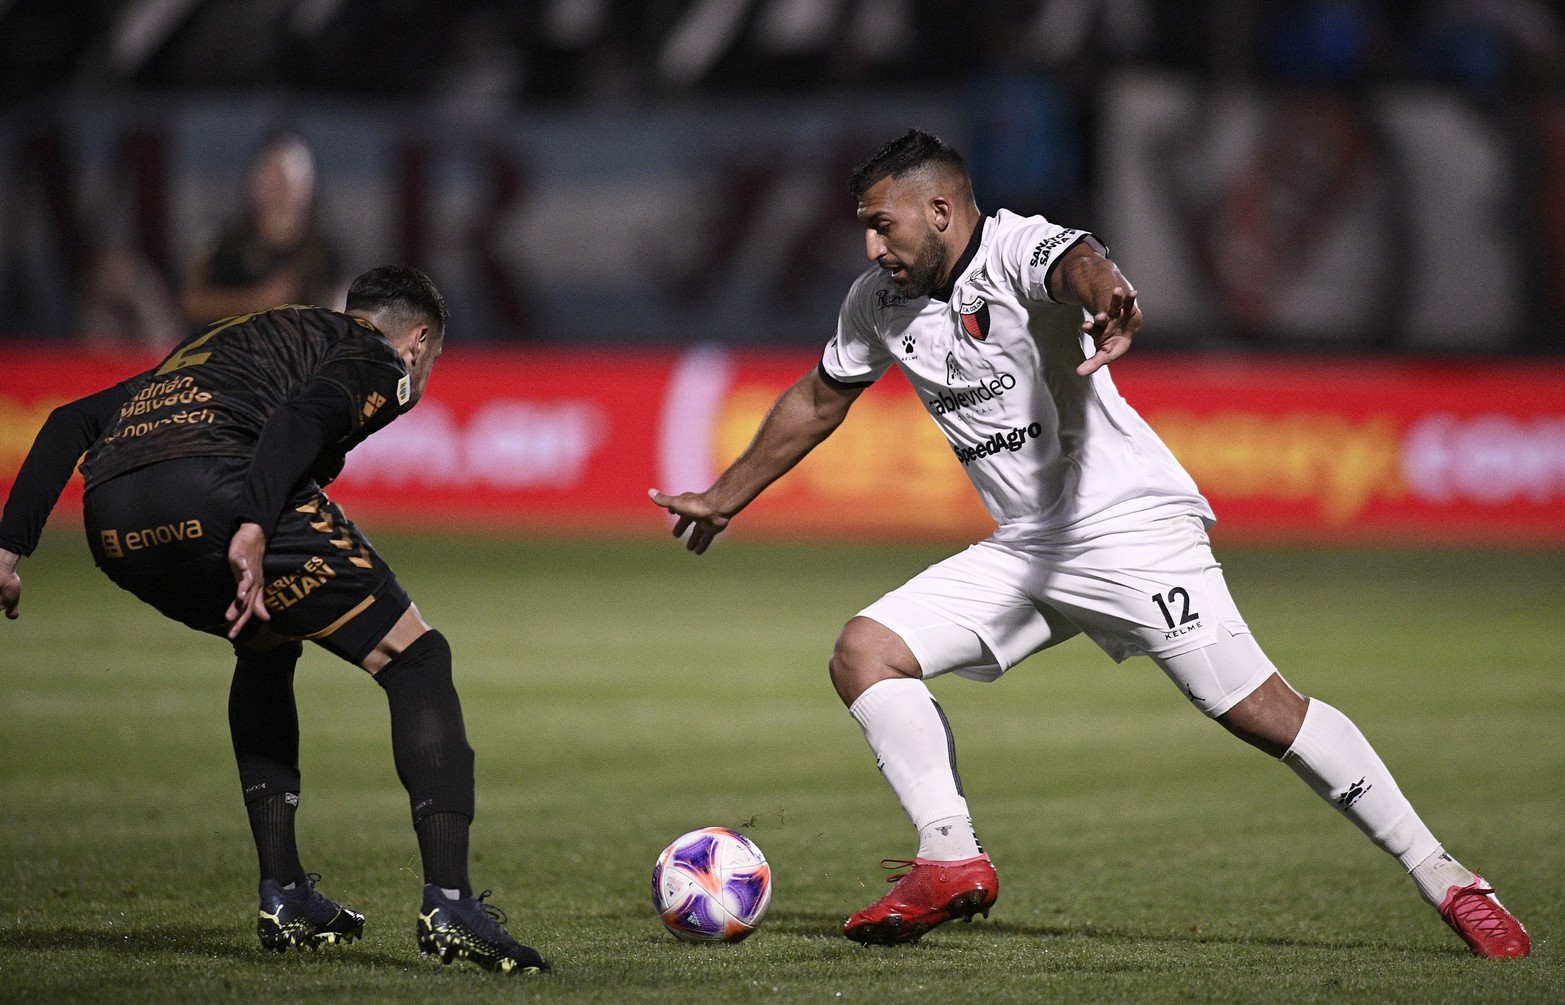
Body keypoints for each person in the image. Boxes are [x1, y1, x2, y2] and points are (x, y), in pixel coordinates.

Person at [648, 129, 1530, 958]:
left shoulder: (1014, 246)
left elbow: (1078, 265)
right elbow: (820, 397)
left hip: (1129, 532)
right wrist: (725, 496)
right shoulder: (878, 301)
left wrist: (1109, 298)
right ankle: (949, 855)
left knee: (1261, 711)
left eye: (882, 225)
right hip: (1027, 547)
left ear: (942, 213)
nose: (872, 247)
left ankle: (1447, 878)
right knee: (865, 652)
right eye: (866, 230)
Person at [0, 265, 550, 975]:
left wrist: (10, 547)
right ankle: (450, 902)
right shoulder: (376, 358)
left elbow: (68, 420)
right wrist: (255, 522)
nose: (426, 370)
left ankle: (284, 891)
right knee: (416, 659)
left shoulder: (246, 339)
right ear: (416, 342)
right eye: (434, 357)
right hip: (220, 485)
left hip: (114, 516)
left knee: (266, 643)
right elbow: (302, 417)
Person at [181, 133, 345, 331]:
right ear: (256, 183)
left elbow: (341, 303)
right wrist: (257, 301)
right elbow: (193, 302)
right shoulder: (229, 241)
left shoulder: (323, 250)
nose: (280, 191)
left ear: (309, 186)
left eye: (288, 182)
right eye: (272, 179)